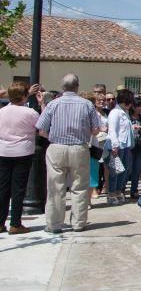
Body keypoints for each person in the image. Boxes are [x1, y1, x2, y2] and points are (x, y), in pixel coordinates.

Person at [36, 74, 100, 233]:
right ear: (77, 86)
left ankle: (54, 224)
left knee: (55, 187)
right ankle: (78, 223)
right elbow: (96, 129)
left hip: (57, 146)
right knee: (79, 186)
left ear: (62, 86)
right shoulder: (87, 105)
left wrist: (53, 136)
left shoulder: (53, 105)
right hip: (79, 147)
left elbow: (41, 129)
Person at [0, 82, 40, 234]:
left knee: (3, 188)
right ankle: (15, 223)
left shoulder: (2, 111)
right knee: (18, 189)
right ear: (24, 96)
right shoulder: (30, 113)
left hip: (3, 151)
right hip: (22, 152)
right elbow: (39, 128)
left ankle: (0, 222)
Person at [106, 89, 135, 205]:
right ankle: (111, 193)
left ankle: (118, 190)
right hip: (117, 146)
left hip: (126, 145)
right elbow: (112, 130)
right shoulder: (115, 113)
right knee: (115, 171)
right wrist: (115, 146)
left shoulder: (125, 112)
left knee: (124, 170)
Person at [89, 90, 109, 199]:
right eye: (99, 100)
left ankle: (105, 187)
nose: (102, 102)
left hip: (105, 141)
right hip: (95, 141)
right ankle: (94, 190)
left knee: (105, 166)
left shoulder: (106, 112)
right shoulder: (93, 112)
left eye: (103, 100)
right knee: (96, 167)